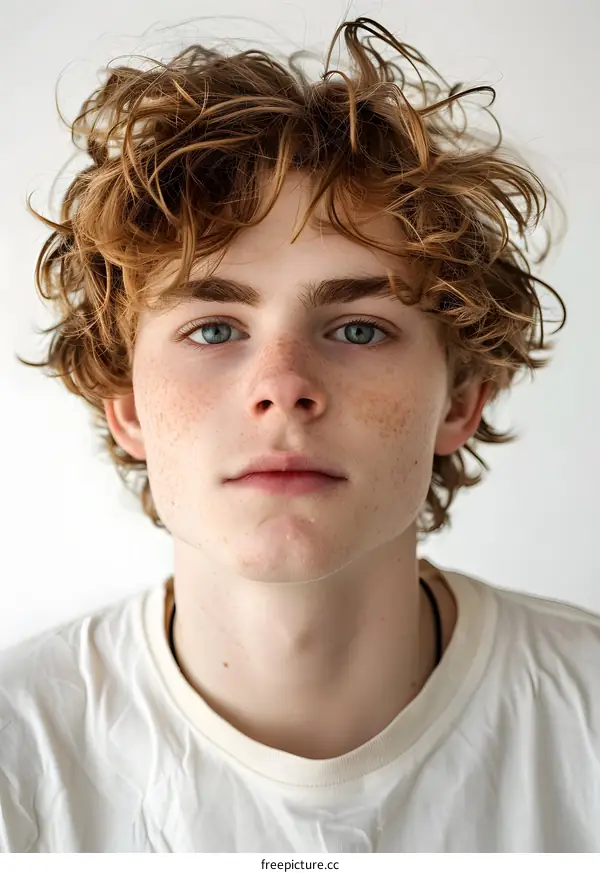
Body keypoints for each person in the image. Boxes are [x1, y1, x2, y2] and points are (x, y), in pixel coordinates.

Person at [2, 14, 597, 854]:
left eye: (358, 328)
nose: (283, 387)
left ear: (461, 399)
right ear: (124, 402)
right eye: (213, 329)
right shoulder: (17, 762)